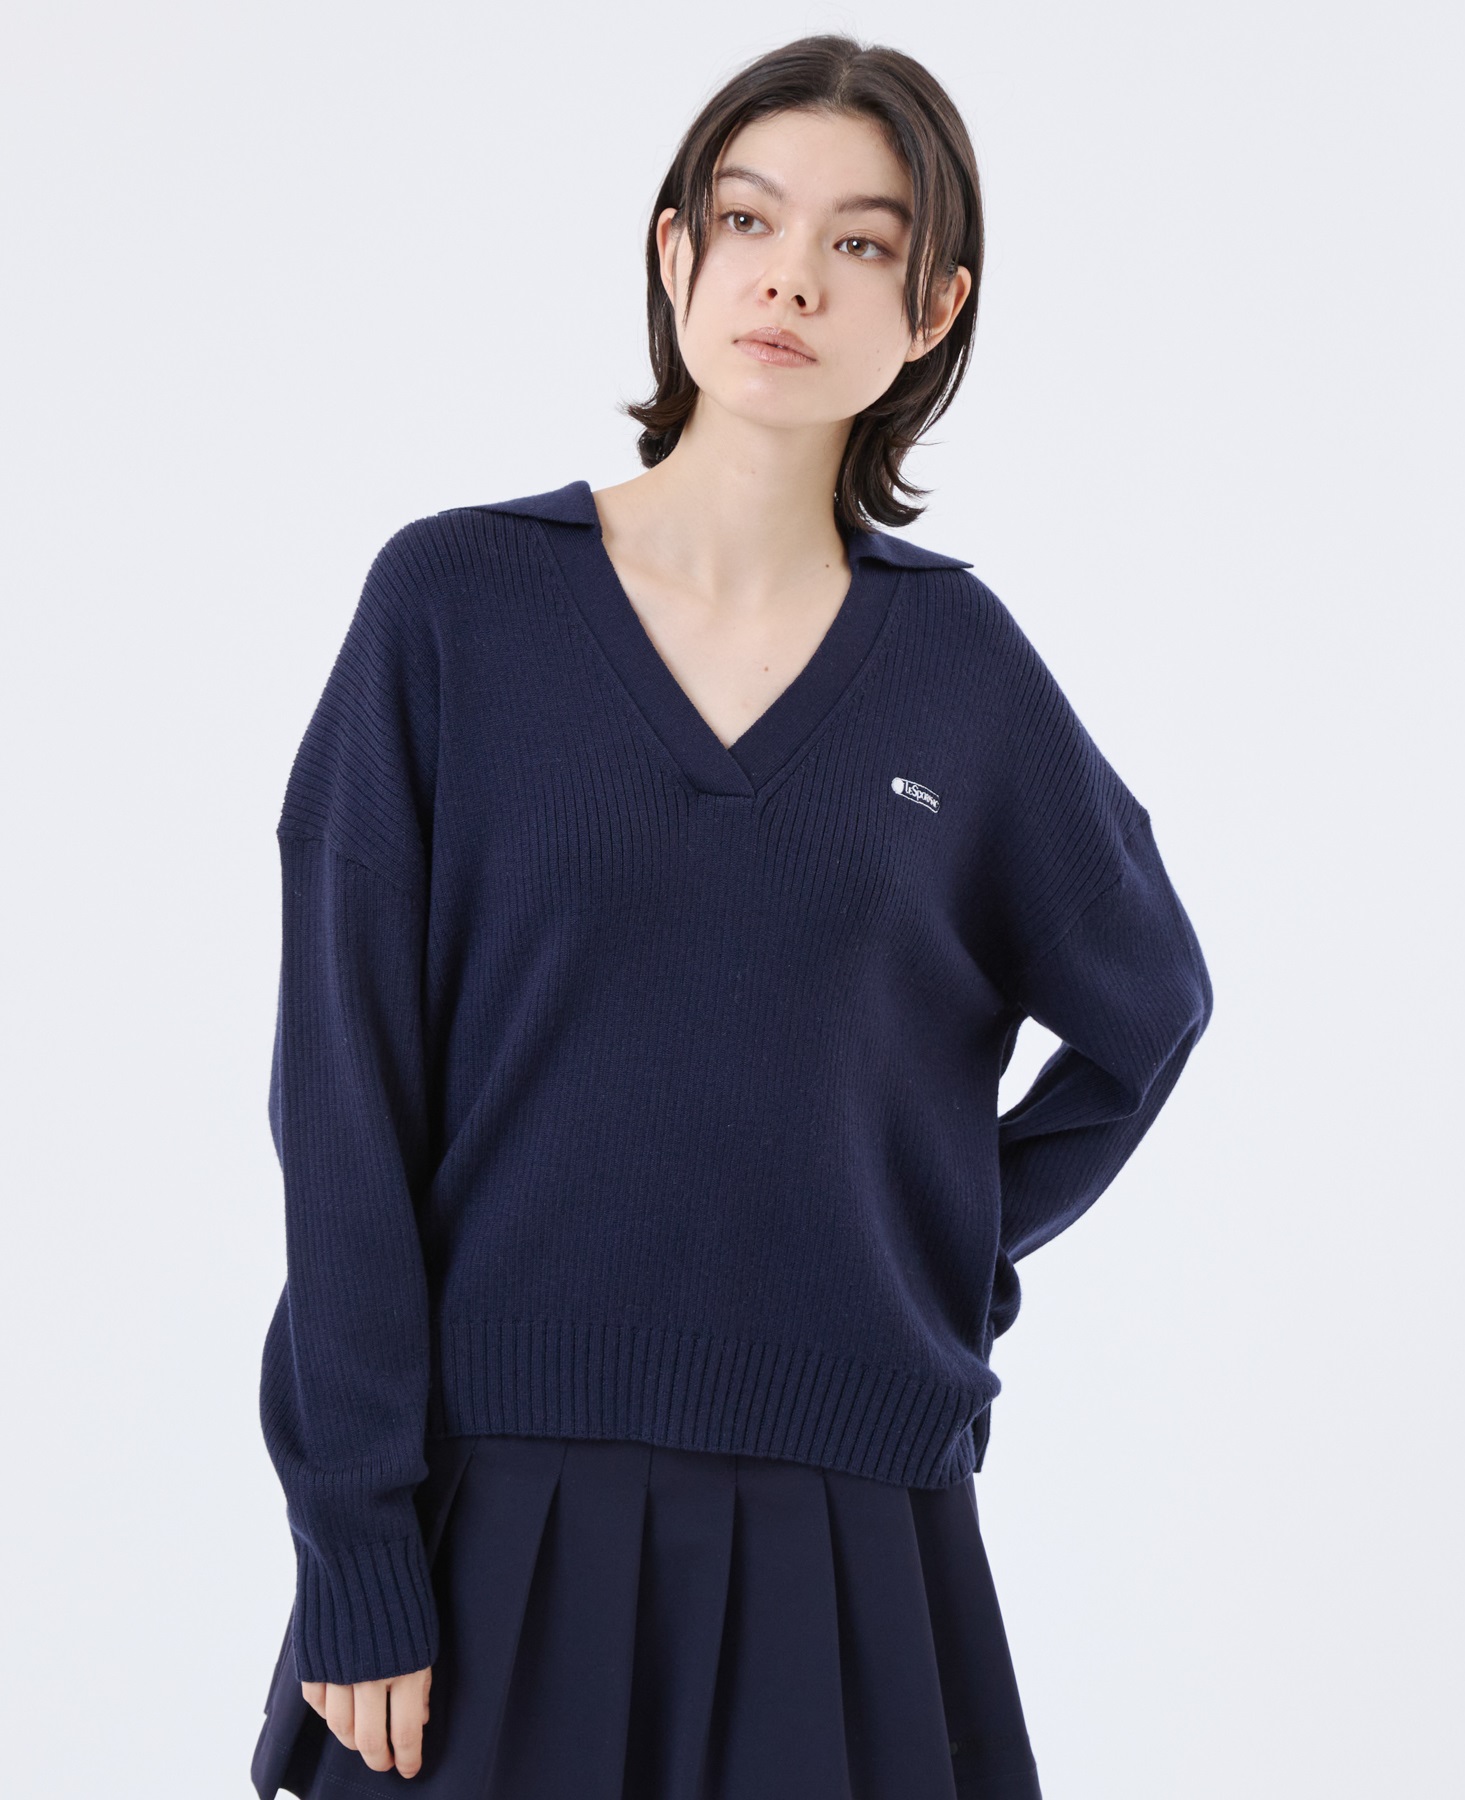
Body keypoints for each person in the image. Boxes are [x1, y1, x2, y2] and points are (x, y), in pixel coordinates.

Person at [250, 32, 1213, 1800]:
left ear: (932, 308)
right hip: (491, 1511)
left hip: (853, 1534)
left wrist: (940, 1250)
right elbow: (342, 1103)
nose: (791, 275)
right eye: (752, 219)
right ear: (676, 250)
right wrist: (357, 1538)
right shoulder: (454, 607)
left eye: (862, 241)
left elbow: (1151, 1007)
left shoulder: (962, 673)